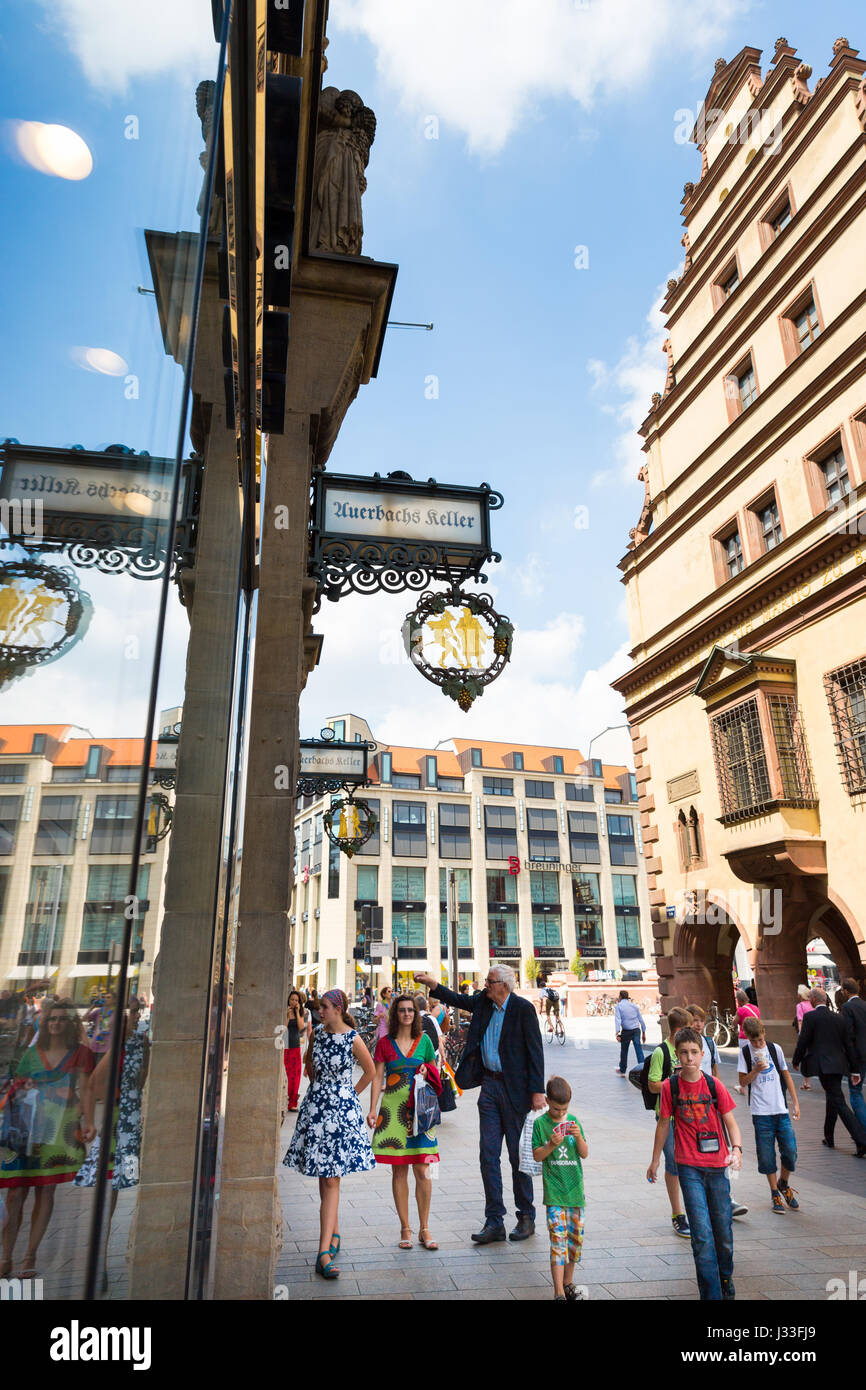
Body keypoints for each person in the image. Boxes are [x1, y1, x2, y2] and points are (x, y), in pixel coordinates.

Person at [414, 964, 545, 1245]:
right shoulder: (484, 1002)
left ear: (504, 985)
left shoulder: (522, 1009)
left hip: (516, 1091)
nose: (485, 984)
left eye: (490, 980)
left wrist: (537, 1091)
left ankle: (526, 1216)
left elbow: (535, 1051)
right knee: (488, 1155)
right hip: (489, 1087)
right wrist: (433, 984)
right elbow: (456, 1000)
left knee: (517, 1155)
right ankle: (494, 1220)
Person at [283, 988, 376, 1278]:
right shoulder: (317, 1033)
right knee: (326, 1178)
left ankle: (324, 1250)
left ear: (338, 1008)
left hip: (339, 1113)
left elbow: (371, 1071)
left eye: (324, 1007)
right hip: (317, 1109)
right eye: (319, 1007)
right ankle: (333, 1235)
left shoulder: (352, 1037)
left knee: (331, 1179)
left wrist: (348, 1095)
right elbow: (308, 1065)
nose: (319, 1011)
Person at [1, 998, 96, 1278]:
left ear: (70, 1023)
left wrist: (86, 1119)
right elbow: (15, 1088)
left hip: (58, 1128)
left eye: (62, 1019)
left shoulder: (80, 1053)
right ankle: (6, 1256)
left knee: (46, 1190)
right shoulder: (29, 1053)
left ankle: (29, 1255)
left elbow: (86, 1090)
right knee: (16, 1192)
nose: (56, 1023)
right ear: (44, 1023)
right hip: (27, 1127)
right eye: (51, 1019)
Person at [648, 1026, 742, 1301]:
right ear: (677, 1056)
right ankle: (711, 1294)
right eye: (684, 1053)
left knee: (723, 1231)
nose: (689, 1058)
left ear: (702, 1054)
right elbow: (664, 1123)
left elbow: (731, 1122)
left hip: (717, 1166)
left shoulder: (714, 1085)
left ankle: (725, 1276)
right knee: (701, 1235)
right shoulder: (670, 1087)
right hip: (688, 1166)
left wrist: (736, 1149)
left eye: (694, 1053)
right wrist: (655, 1160)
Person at [73, 997, 149, 1289]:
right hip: (122, 1124)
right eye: (128, 1013)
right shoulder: (116, 1049)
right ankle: (100, 1262)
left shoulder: (142, 1043)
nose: (133, 1016)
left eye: (135, 1012)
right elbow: (93, 1084)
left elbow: (144, 1081)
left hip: (137, 1119)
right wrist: (90, 1122)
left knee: (130, 1186)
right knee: (113, 1189)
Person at [368, 994, 442, 1250]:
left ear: (416, 1014)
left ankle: (424, 1227)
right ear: (395, 1014)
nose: (407, 1014)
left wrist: (427, 1070)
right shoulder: (384, 1043)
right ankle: (405, 1228)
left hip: (421, 1113)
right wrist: (372, 1110)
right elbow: (377, 1078)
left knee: (422, 1170)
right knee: (399, 1170)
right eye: (402, 1010)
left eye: (411, 1010)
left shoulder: (425, 1042)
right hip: (392, 1112)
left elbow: (436, 1074)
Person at [688, 1006, 748, 1220]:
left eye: (700, 1020)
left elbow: (715, 1072)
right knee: (697, 1153)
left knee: (719, 1148)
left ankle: (726, 1196)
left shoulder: (710, 1043)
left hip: (711, 1103)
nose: (698, 1024)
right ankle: (705, 1196)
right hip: (691, 1106)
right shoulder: (683, 1047)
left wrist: (721, 1099)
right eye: (694, 1020)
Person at [532, 1075, 588, 1302]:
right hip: (554, 1194)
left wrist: (579, 1138)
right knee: (558, 1242)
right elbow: (537, 1155)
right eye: (556, 1109)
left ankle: (568, 1282)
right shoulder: (540, 1124)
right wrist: (550, 1144)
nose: (560, 1114)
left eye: (564, 1109)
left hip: (576, 1194)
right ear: (546, 1101)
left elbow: (584, 1153)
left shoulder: (573, 1121)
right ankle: (558, 1292)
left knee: (574, 1242)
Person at [792, 987, 866, 1156]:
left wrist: (796, 1060)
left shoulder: (811, 1017)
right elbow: (848, 1045)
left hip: (823, 1066)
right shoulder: (838, 1018)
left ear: (812, 1000)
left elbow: (803, 1040)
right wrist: (854, 1069)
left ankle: (861, 1140)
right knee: (832, 1097)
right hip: (839, 1065)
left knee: (838, 1100)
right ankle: (829, 1136)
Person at [738, 1014, 800, 1214]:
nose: (757, 1043)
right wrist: (755, 1070)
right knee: (766, 1156)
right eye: (754, 1040)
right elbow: (742, 1082)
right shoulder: (745, 1053)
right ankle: (774, 1192)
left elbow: (786, 1074)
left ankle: (784, 1183)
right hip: (760, 1112)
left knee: (790, 1152)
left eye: (760, 1039)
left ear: (764, 1032)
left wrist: (795, 1102)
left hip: (780, 1110)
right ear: (747, 1037)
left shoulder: (775, 1049)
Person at [647, 1007, 692, 1239]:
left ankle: (694, 1208)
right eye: (688, 1029)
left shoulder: (688, 1050)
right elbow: (653, 1084)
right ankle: (677, 1214)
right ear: (678, 1029)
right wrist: (673, 1080)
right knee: (673, 1164)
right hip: (668, 1116)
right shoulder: (661, 1052)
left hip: (689, 1115)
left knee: (691, 1163)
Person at [837, 979, 866, 1133]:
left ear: (846, 991)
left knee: (855, 1093)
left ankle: (864, 1130)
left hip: (858, 1056)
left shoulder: (848, 1007)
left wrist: (852, 1066)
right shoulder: (864, 1005)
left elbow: (849, 1036)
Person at [284, 990, 311, 1112]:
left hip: (295, 1046)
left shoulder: (302, 1013)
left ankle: (293, 1103)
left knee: (295, 1076)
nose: (294, 1002)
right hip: (284, 1046)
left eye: (296, 1000)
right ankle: (286, 1099)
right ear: (288, 1000)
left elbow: (301, 1029)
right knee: (287, 1074)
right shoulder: (285, 1011)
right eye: (292, 1000)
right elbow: (283, 1028)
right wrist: (288, 1016)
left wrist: (297, 1012)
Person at [614, 990, 646, 1075]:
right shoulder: (634, 1006)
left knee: (624, 1051)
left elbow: (618, 1020)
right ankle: (643, 1068)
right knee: (638, 1049)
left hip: (626, 1031)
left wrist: (617, 1032)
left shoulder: (619, 1006)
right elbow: (641, 1019)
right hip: (636, 1030)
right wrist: (643, 1032)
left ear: (620, 997)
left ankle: (622, 1070)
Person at [795, 985, 815, 1090]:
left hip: (806, 1034)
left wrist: (801, 1035)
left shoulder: (800, 1006)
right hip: (815, 1034)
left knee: (805, 1058)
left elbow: (800, 1021)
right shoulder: (812, 1004)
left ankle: (807, 1083)